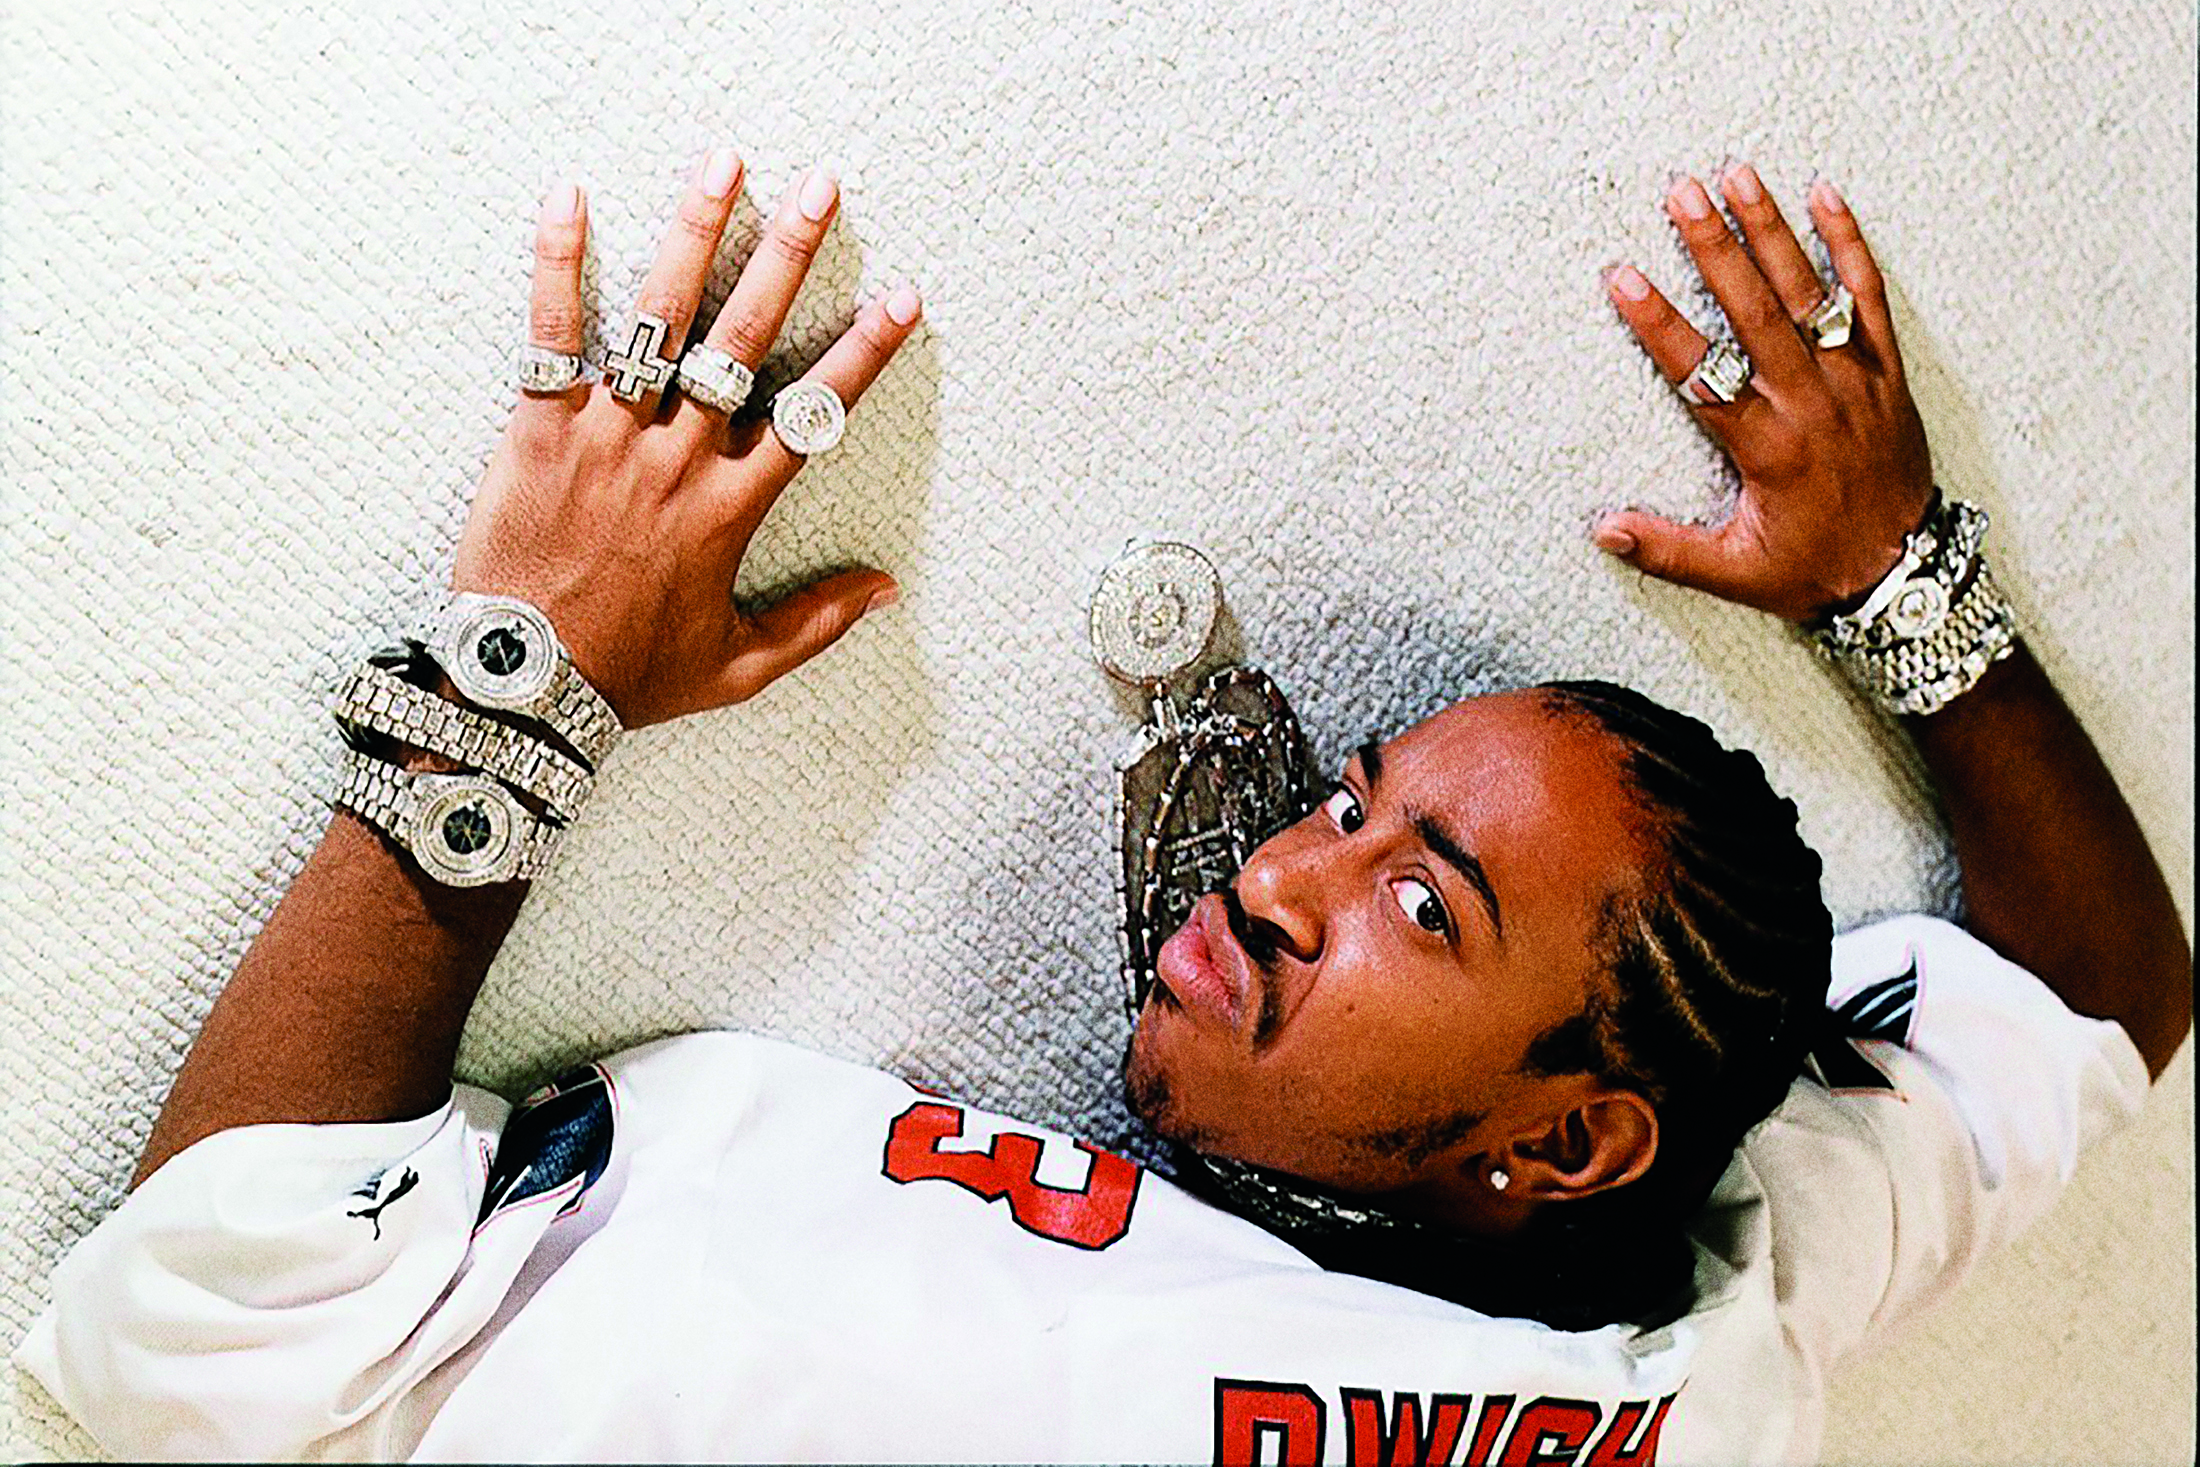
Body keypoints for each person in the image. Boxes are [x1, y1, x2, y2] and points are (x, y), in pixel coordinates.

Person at [15, 147, 2188, 1464]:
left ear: (1560, 1137)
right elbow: (2105, 989)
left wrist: (524, 689)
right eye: (1351, 801)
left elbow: (193, 1343)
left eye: (1419, 906)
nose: (1283, 869)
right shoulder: (1719, 1302)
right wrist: (1896, 579)